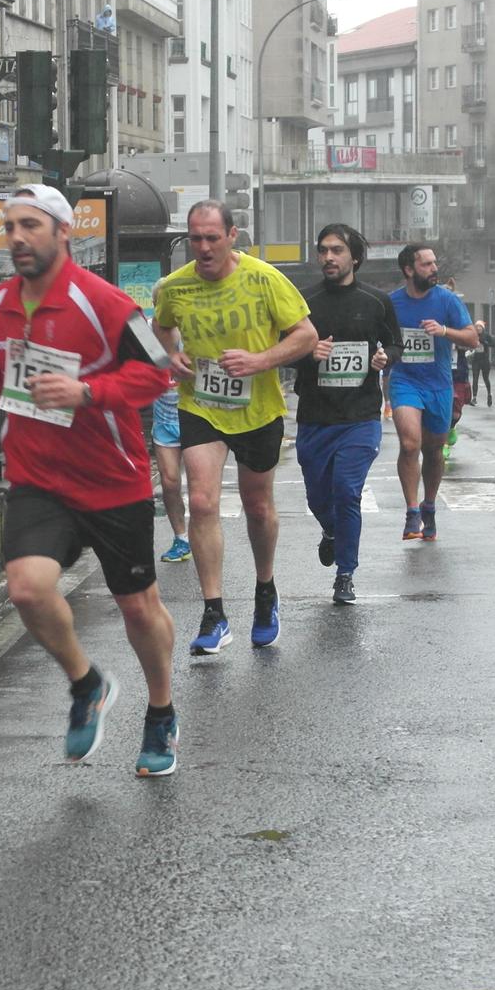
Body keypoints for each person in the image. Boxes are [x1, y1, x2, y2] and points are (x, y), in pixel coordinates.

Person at [0, 185, 182, 777]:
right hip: (38, 476)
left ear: (63, 233)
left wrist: (88, 392)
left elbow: (157, 373)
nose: (17, 238)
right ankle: (86, 683)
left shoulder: (104, 303)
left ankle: (160, 711)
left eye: (30, 226)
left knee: (138, 608)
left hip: (112, 478)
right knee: (27, 589)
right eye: (10, 227)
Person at [154, 202, 318, 654]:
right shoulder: (176, 285)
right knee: (202, 501)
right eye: (195, 238)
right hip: (201, 405)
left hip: (258, 409)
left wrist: (260, 360)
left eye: (212, 237)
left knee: (258, 507)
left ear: (232, 235)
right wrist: (171, 355)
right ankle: (214, 612)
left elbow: (305, 335)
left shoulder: (265, 279)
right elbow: (159, 327)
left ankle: (266, 589)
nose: (203, 247)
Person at [294, 223, 398, 606]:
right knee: (318, 497)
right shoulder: (303, 304)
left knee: (347, 491)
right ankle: (331, 532)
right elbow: (283, 349)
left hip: (360, 416)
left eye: (337, 250)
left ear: (354, 256)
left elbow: (395, 343)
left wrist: (385, 357)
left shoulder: (376, 301)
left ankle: (345, 574)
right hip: (316, 416)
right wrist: (308, 353)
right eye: (323, 250)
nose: (328, 257)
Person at [386, 245, 482, 541]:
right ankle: (412, 511)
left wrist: (444, 331)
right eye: (426, 264)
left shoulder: (447, 300)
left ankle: (429, 505)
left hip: (439, 384)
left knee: (434, 450)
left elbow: (473, 339)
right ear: (409, 269)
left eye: (434, 263)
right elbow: (380, 338)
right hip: (405, 381)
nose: (433, 268)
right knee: (409, 444)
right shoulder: (392, 303)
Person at [151, 384, 191, 563]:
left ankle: (203, 535)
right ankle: (181, 539)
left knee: (200, 489)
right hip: (164, 422)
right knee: (169, 482)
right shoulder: (155, 354)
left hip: (196, 418)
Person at [467, 318, 494, 406]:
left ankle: (489, 394)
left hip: (485, 360)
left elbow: (493, 344)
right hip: (476, 360)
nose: (478, 328)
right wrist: (471, 347)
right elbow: (471, 346)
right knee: (475, 379)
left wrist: (484, 342)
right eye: (477, 327)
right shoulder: (473, 335)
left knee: (486, 378)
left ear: (483, 328)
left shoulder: (486, 336)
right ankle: (474, 398)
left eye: (480, 327)